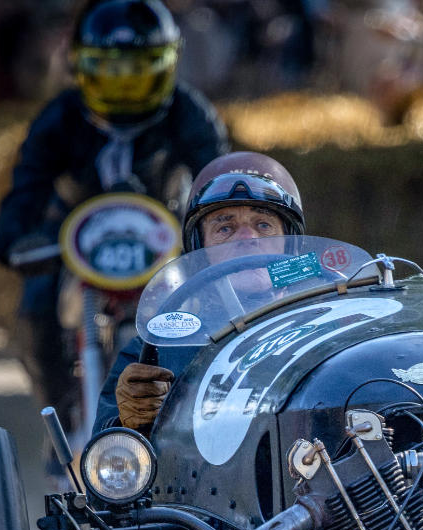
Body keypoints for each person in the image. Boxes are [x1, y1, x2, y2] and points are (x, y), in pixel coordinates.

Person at [0, 0, 229, 418]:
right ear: (80, 64)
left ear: (168, 63)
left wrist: (219, 239)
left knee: (217, 304)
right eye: (111, 69)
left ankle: (207, 410)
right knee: (37, 300)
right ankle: (59, 415)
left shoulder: (189, 111)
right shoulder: (58, 117)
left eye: (137, 69)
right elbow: (28, 184)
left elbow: (218, 181)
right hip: (75, 241)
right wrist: (14, 237)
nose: (125, 82)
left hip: (164, 233)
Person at [102, 152, 307, 432]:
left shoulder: (333, 324)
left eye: (263, 224)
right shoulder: (155, 351)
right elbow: (109, 461)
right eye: (225, 227)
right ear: (200, 251)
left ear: (290, 243)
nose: (248, 239)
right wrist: (127, 422)